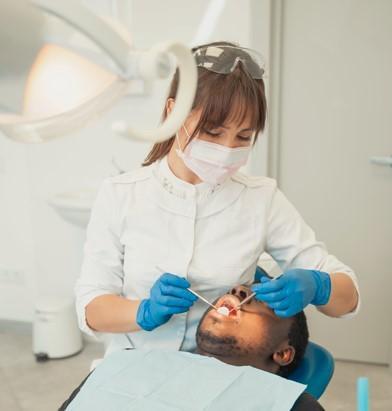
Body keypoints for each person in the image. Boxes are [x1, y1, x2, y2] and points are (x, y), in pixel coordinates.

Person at [75, 40, 360, 357]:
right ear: (174, 112)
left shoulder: (261, 199)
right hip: (133, 363)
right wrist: (143, 311)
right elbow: (92, 310)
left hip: (222, 369)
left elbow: (346, 298)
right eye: (212, 132)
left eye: (242, 137)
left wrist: (318, 286)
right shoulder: (121, 195)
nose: (227, 148)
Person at [60, 285, 323, 410]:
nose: (240, 290)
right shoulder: (125, 363)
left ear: (283, 353)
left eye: (265, 300)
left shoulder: (294, 406)